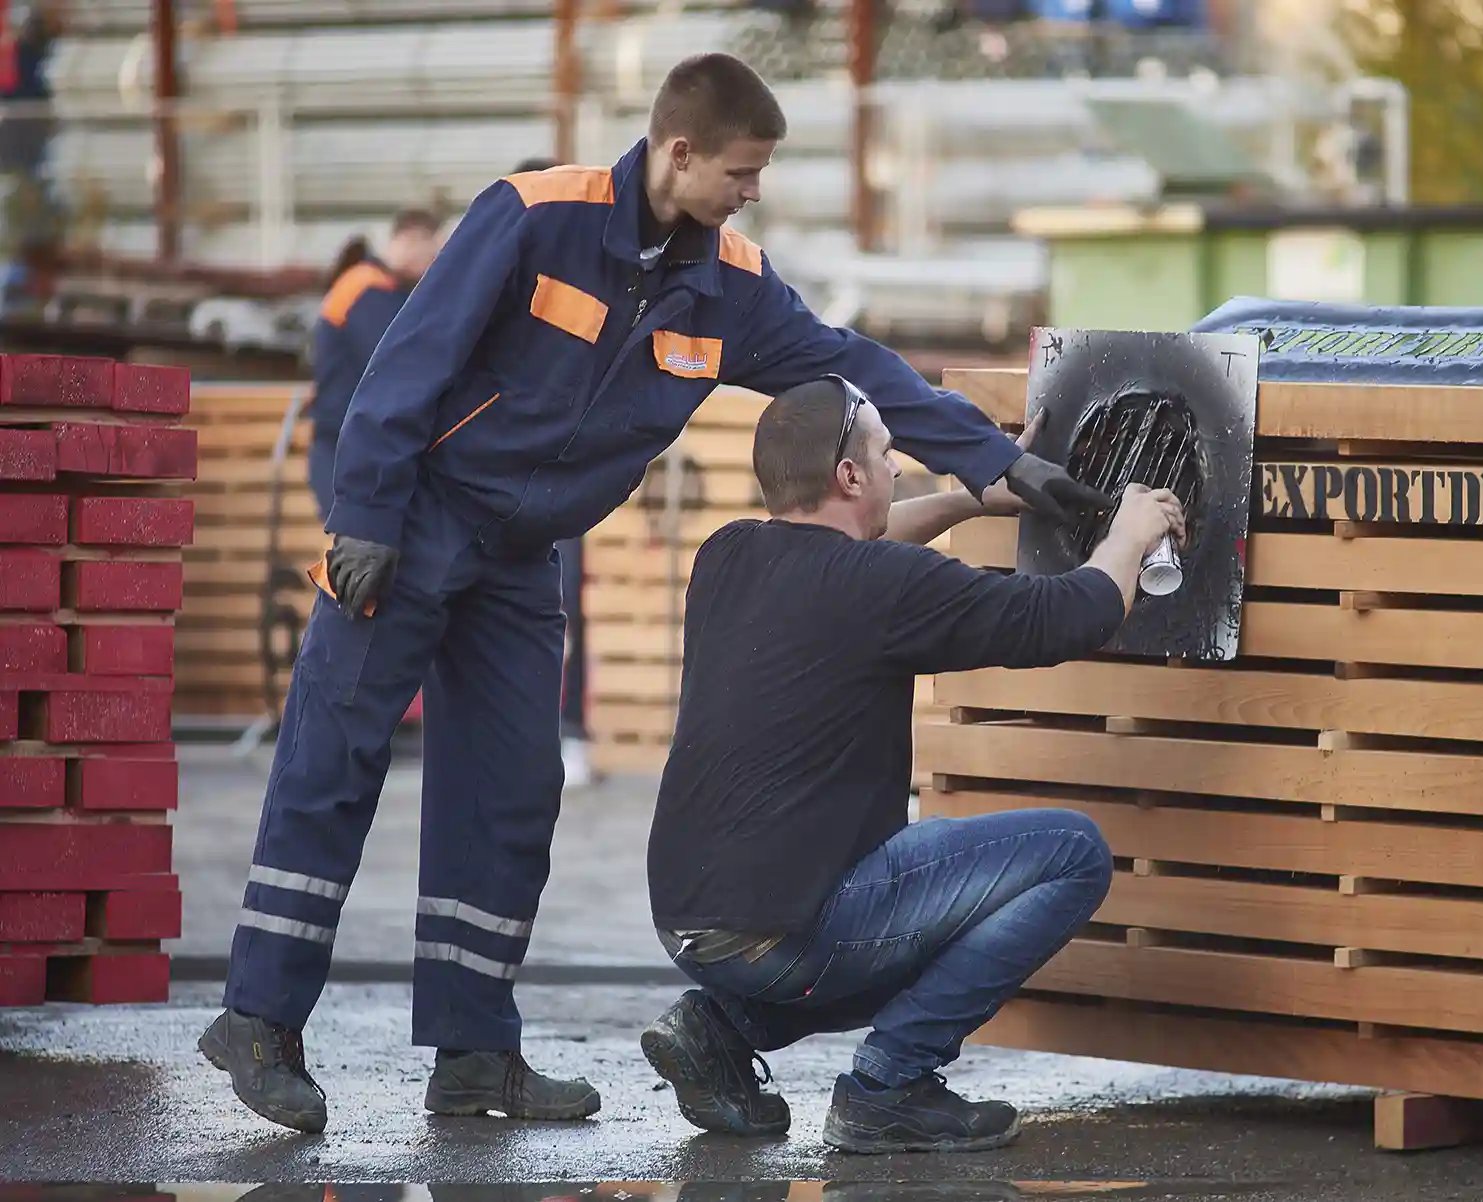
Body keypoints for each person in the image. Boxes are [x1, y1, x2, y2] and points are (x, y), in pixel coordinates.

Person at [197, 52, 1107, 1136]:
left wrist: (1001, 467)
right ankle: (258, 1019)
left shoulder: (730, 287)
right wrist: (365, 516)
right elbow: (408, 360)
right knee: (334, 756)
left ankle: (475, 1051)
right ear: (679, 151)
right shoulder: (532, 217)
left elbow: (856, 362)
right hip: (419, 522)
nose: (753, 191)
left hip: (524, 556)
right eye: (742, 169)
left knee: (511, 792)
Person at [640, 375, 1186, 1153]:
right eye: (887, 455)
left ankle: (722, 1029)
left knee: (912, 922)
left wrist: (970, 500)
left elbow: (861, 551)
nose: (898, 468)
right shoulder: (880, 588)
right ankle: (889, 1084)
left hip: (691, 926)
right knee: (1072, 854)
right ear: (850, 476)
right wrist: (1130, 535)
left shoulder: (727, 558)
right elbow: (1066, 615)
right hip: (788, 930)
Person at [506, 155, 595, 790]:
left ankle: (567, 732)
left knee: (562, 612)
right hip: (498, 489)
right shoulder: (497, 278)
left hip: (557, 489)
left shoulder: (587, 285)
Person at [307, 210, 444, 522]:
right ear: (412, 241)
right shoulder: (368, 292)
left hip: (356, 453)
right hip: (351, 457)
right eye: (434, 252)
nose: (436, 264)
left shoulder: (375, 288)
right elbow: (404, 367)